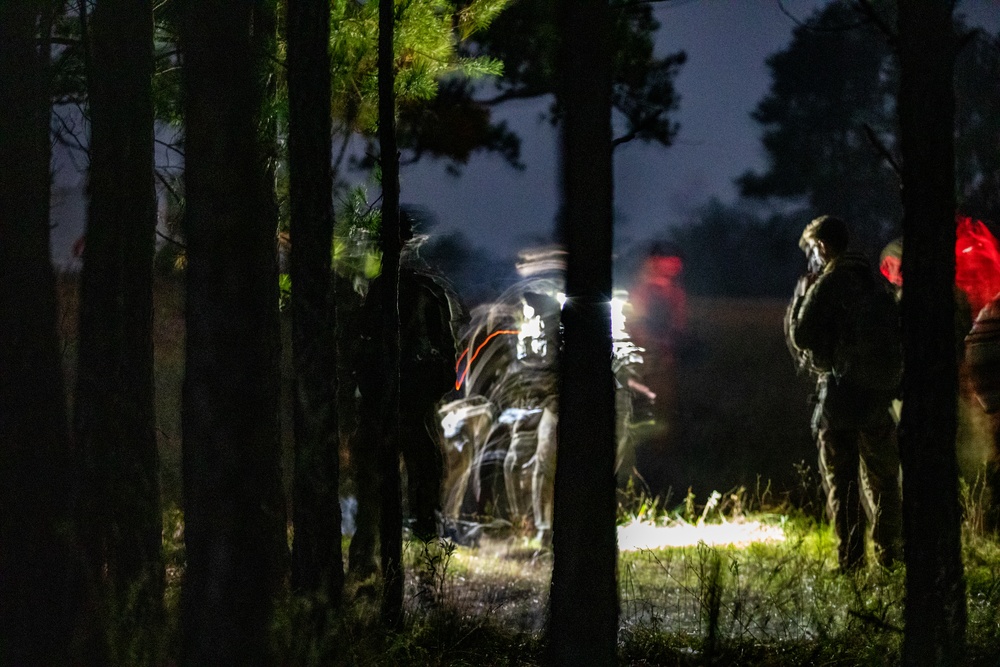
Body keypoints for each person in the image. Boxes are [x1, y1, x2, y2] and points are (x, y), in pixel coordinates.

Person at [785, 215, 904, 571]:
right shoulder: (875, 283)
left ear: (822, 246)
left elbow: (802, 336)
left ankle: (851, 562)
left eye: (814, 250)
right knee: (883, 482)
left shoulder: (830, 281)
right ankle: (890, 558)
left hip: (839, 400)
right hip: (878, 399)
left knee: (843, 483)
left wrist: (802, 295)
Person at [348, 226, 467, 576]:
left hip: (408, 404)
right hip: (395, 404)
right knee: (391, 483)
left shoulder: (416, 293)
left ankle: (418, 561)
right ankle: (376, 560)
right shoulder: (387, 292)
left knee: (417, 482)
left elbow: (447, 359)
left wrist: (427, 386)